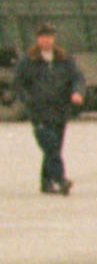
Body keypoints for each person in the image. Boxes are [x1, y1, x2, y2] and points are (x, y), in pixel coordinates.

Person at [17, 21, 84, 193]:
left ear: (53, 39)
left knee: (53, 148)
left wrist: (77, 93)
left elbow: (77, 78)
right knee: (52, 146)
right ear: (37, 39)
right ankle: (61, 180)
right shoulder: (28, 61)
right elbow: (18, 85)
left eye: (48, 37)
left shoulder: (64, 59)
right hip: (39, 113)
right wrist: (28, 101)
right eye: (42, 37)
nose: (45, 41)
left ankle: (45, 184)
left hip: (60, 111)